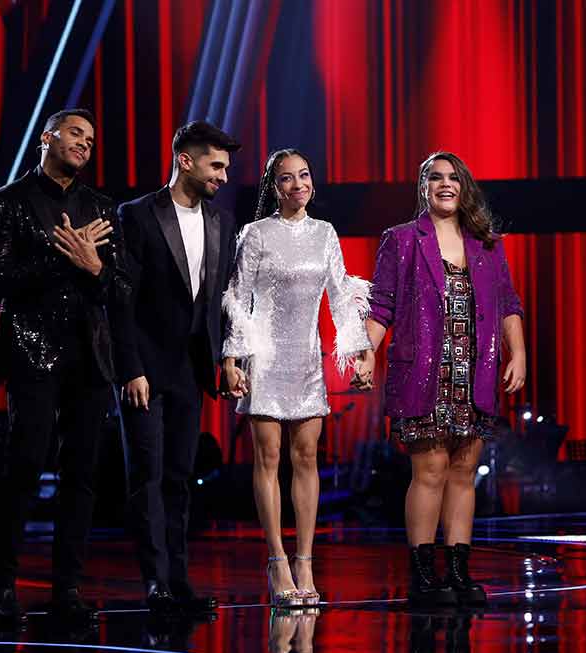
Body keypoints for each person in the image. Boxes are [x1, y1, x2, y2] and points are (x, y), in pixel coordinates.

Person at [0, 108, 129, 625]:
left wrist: (93, 265)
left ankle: (66, 589)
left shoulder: (102, 208)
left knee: (81, 476)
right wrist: (61, 255)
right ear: (47, 137)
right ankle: (2, 588)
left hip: (89, 356)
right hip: (31, 351)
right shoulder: (9, 202)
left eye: (91, 137)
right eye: (74, 133)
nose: (85, 143)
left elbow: (122, 288)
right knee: (23, 470)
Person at [366, 151, 526, 608]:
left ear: (465, 185)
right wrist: (364, 354)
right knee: (430, 471)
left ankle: (458, 572)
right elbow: (382, 305)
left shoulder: (487, 244)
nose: (445, 184)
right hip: (424, 375)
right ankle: (422, 574)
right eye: (435, 177)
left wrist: (520, 353)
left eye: (453, 177)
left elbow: (508, 303)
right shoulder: (401, 240)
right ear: (423, 187)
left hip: (474, 372)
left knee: (462, 473)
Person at [222, 149, 373, 608]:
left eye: (304, 175)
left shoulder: (324, 234)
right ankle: (277, 561)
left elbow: (342, 294)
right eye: (287, 179)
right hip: (265, 360)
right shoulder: (256, 234)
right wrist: (232, 359)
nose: (298, 185)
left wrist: (358, 351)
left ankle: (305, 560)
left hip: (306, 361)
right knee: (269, 458)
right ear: (274, 186)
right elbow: (237, 297)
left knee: (306, 457)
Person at [111, 121, 241, 615]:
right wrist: (130, 368)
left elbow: (222, 300)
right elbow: (120, 299)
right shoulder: (137, 215)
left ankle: (179, 580)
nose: (224, 177)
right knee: (146, 473)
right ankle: (155, 582)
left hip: (192, 368)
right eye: (216, 165)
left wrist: (229, 358)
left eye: (226, 168)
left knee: (181, 476)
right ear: (185, 160)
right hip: (144, 369)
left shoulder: (221, 222)